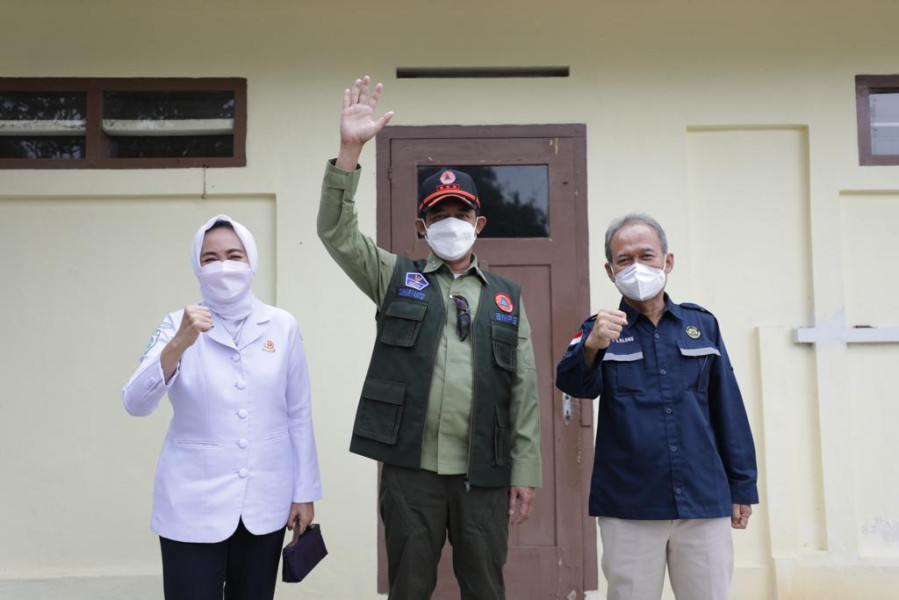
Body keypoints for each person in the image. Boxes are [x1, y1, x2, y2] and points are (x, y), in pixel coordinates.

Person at [317, 75, 542, 600]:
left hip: (482, 472)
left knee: (485, 587)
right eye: (437, 214)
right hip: (410, 470)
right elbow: (337, 234)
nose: (450, 221)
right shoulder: (396, 277)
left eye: (460, 212)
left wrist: (524, 469)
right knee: (409, 587)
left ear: (478, 222)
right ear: (422, 227)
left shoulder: (507, 297)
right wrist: (349, 153)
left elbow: (524, 391)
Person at [555, 213, 758, 600]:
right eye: (624, 260)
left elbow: (728, 407)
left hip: (703, 501)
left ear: (667, 262)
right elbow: (571, 383)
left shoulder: (702, 325)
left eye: (646, 256)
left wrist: (742, 485)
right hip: (630, 505)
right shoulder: (600, 328)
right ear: (609, 271)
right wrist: (593, 344)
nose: (636, 266)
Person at [122, 215, 322, 600]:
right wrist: (180, 342)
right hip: (191, 503)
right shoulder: (174, 326)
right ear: (197, 266)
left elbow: (298, 413)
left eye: (234, 255)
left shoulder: (282, 326)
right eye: (210, 258)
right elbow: (135, 402)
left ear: (252, 262)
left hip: (265, 502)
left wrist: (304, 492)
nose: (224, 265)